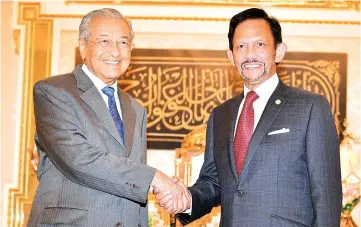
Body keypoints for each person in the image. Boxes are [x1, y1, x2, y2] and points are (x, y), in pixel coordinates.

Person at [156, 8, 342, 226]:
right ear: (231, 56)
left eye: (259, 44)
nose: (249, 54)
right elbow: (213, 183)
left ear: (279, 51)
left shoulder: (310, 107)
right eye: (241, 46)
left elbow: (326, 194)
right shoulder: (220, 115)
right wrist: (185, 200)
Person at [27, 8, 189, 227]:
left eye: (123, 42)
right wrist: (155, 178)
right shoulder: (53, 91)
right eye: (104, 41)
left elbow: (132, 182)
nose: (115, 51)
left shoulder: (136, 109)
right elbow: (78, 158)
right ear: (83, 46)